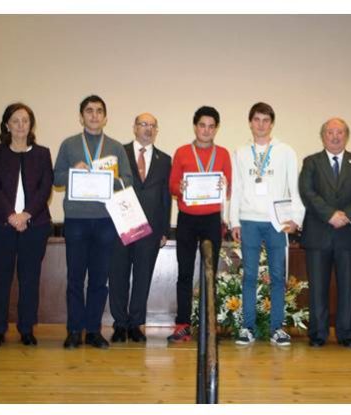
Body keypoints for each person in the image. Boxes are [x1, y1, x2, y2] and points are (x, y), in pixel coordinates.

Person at [53, 95, 133, 350]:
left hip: (106, 220)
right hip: (76, 219)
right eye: (89, 111)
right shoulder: (69, 145)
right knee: (75, 278)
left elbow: (128, 181)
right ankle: (74, 330)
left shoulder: (116, 147)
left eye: (99, 111)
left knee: (99, 280)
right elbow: (56, 179)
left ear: (105, 117)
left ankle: (93, 331)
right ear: (81, 116)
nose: (94, 115)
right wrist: (72, 170)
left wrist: (112, 176)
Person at [230, 102, 305, 346]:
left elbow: (294, 186)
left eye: (265, 120)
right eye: (257, 119)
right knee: (249, 276)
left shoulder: (286, 151)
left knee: (277, 276)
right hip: (249, 220)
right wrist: (234, 221)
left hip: (277, 222)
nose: (261, 124)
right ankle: (247, 327)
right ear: (250, 123)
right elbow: (237, 189)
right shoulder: (240, 152)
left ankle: (277, 328)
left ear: (271, 123)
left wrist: (297, 218)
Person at [0, 103, 53, 348]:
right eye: (16, 120)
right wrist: (12, 215)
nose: (21, 125)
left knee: (29, 278)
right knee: (0, 278)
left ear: (31, 125)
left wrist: (26, 215)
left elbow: (45, 188)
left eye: (25, 120)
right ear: (7, 125)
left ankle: (26, 329)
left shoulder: (43, 153)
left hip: (35, 226)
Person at [299, 118, 351, 348]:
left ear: (346, 136)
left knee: (348, 287)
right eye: (330, 132)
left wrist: (347, 215)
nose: (335, 136)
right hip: (319, 233)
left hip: (349, 233)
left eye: (339, 132)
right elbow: (307, 192)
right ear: (323, 136)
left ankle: (347, 334)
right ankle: (318, 334)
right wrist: (330, 215)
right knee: (318, 288)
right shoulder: (311, 162)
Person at [167, 106, 231, 343]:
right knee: (184, 273)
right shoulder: (182, 152)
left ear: (216, 129)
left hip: (212, 219)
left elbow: (230, 187)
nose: (206, 130)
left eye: (211, 126)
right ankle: (182, 324)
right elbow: (172, 185)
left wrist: (223, 185)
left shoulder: (223, 154)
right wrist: (179, 188)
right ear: (195, 126)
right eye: (202, 125)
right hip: (187, 219)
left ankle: (208, 325)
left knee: (209, 273)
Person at [109, 113, 171, 343]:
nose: (147, 129)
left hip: (151, 229)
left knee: (143, 277)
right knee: (118, 276)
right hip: (121, 226)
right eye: (143, 124)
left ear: (157, 130)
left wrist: (164, 229)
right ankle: (119, 324)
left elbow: (166, 197)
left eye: (152, 125)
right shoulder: (118, 153)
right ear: (134, 128)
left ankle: (136, 324)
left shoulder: (165, 160)